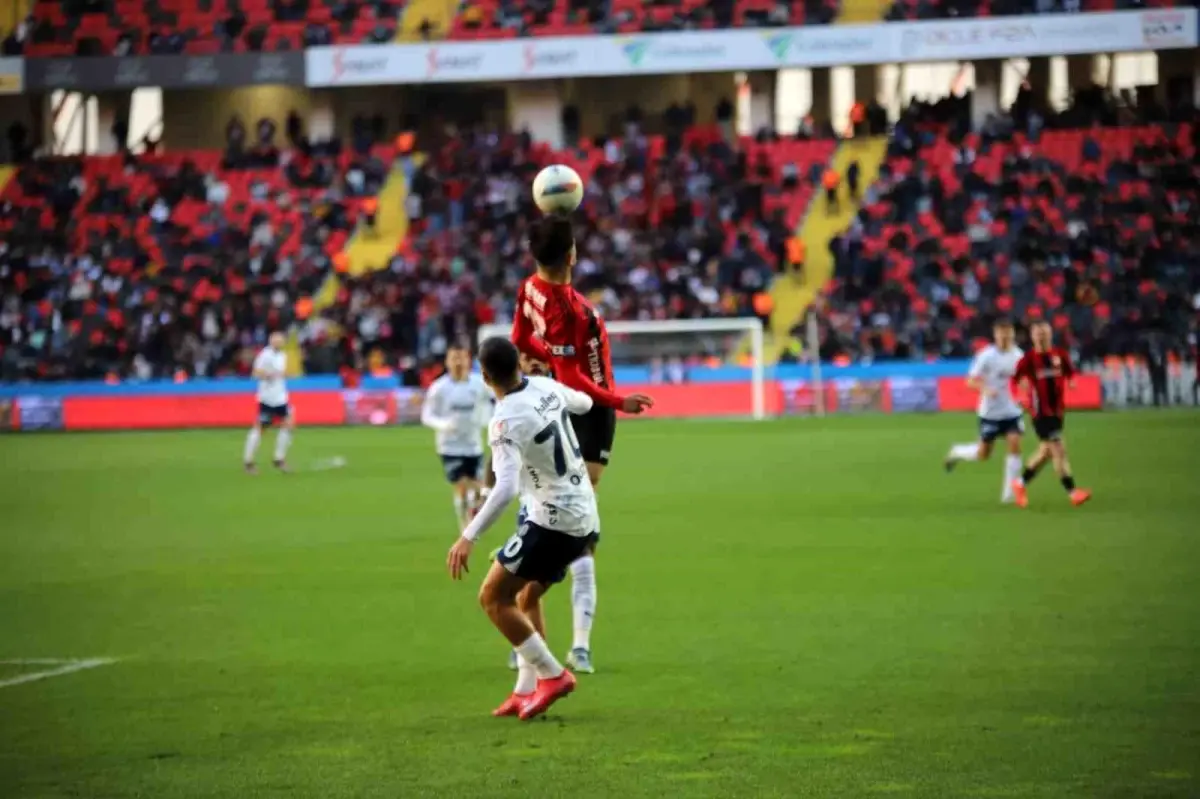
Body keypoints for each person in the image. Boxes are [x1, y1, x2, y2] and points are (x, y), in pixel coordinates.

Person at [507, 215, 654, 675]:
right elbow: (576, 381)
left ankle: (551, 637)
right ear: (573, 255)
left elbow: (518, 340)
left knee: (564, 516)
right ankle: (535, 622)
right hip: (589, 412)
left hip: (561, 405)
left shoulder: (529, 287)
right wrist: (620, 401)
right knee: (576, 526)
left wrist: (543, 354)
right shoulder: (570, 312)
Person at [446, 337, 597, 720]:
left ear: (484, 376)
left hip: (553, 520)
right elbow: (586, 403)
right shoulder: (545, 385)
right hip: (583, 513)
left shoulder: (504, 420)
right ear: (518, 363)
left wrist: (468, 535)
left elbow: (506, 488)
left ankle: (553, 675)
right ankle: (524, 689)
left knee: (493, 597)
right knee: (526, 596)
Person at [1010, 321, 1092, 508]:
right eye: (1038, 334)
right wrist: (1019, 397)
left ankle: (1019, 483)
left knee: (1046, 452)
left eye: (1044, 333)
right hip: (1040, 413)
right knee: (1058, 450)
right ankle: (1073, 492)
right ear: (1032, 336)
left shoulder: (1060, 355)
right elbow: (1014, 381)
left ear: (1050, 334)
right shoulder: (1028, 359)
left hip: (1057, 412)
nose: (1041, 337)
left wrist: (1072, 382)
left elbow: (1070, 373)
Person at [944, 319, 1025, 503]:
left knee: (1014, 442)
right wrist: (986, 389)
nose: (1005, 337)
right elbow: (970, 380)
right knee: (983, 454)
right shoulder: (986, 356)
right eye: (1001, 334)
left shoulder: (1019, 356)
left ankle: (1009, 495)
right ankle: (957, 451)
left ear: (1013, 335)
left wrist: (1024, 391)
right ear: (996, 335)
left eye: (1008, 333)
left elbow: (1023, 379)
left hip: (1011, 411)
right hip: (990, 412)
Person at [421, 343, 494, 531]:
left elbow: (493, 403)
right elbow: (427, 415)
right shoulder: (439, 388)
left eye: (462, 357)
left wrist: (488, 418)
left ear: (470, 361)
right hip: (449, 446)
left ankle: (470, 512)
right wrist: (444, 425)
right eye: (454, 358)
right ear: (447, 362)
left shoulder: (480, 384)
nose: (458, 362)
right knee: (462, 484)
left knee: (474, 492)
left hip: (473, 445)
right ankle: (464, 524)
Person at [244, 332, 294, 474]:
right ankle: (248, 461)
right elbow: (255, 373)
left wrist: (283, 375)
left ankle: (279, 458)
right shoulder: (265, 355)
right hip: (267, 398)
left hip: (281, 397)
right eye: (277, 341)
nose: (279, 343)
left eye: (281, 341)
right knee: (260, 428)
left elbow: (281, 374)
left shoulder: (282, 356)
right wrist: (268, 375)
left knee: (288, 425)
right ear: (271, 341)